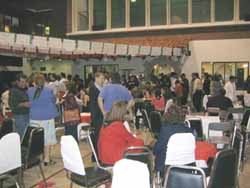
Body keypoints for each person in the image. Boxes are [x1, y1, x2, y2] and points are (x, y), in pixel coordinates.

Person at [98, 101, 144, 165]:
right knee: (140, 143)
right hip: (113, 158)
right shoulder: (118, 125)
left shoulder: (105, 123)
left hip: (104, 157)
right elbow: (132, 139)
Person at [28, 73, 58, 165]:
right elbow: (54, 100)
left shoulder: (29, 91)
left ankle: (36, 158)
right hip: (47, 118)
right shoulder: (48, 91)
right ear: (44, 82)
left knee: (37, 138)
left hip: (34, 118)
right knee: (47, 139)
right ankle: (47, 159)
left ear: (34, 82)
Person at [153, 103, 192, 173]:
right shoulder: (189, 131)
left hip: (166, 167)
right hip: (186, 166)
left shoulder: (165, 130)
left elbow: (156, 150)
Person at [9, 74, 30, 139]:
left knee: (26, 134)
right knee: (22, 134)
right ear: (17, 82)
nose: (24, 83)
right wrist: (23, 104)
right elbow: (12, 105)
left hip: (27, 114)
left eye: (25, 82)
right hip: (19, 115)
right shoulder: (14, 91)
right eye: (22, 82)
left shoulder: (26, 90)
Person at [89, 72, 105, 156]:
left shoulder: (101, 87)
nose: (103, 80)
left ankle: (99, 153)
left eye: (103, 78)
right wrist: (94, 118)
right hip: (97, 116)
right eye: (101, 78)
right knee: (97, 135)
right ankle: (95, 155)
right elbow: (92, 104)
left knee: (101, 135)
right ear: (96, 78)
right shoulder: (93, 88)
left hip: (101, 115)